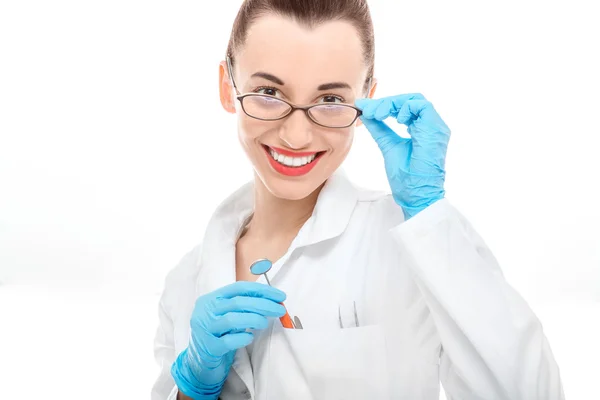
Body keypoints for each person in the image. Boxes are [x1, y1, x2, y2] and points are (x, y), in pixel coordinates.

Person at [151, 1, 564, 399]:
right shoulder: (185, 281)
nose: (296, 136)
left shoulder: (413, 244)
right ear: (228, 87)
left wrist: (429, 216)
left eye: (330, 100)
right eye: (268, 92)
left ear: (367, 98)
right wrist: (192, 389)